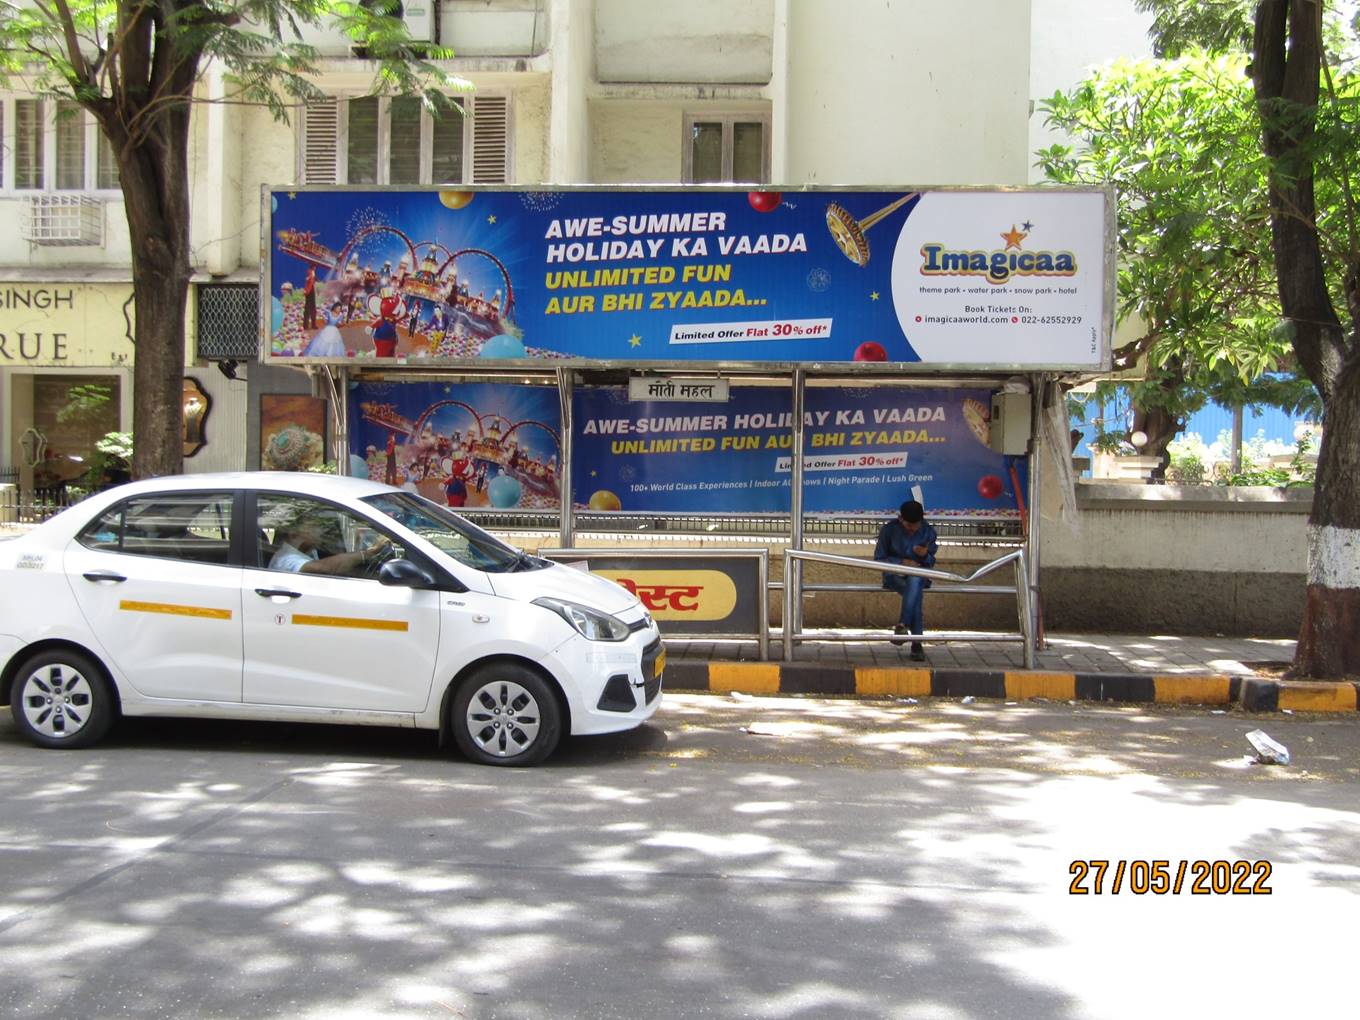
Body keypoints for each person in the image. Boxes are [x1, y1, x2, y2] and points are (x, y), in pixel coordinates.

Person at [874, 499, 938, 660]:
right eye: (908, 526)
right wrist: (901, 563)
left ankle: (903, 626)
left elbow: (930, 561)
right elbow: (879, 559)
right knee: (915, 594)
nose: (912, 530)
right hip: (894, 576)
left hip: (919, 575)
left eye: (915, 526)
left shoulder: (928, 532)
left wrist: (925, 555)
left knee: (915, 580)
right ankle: (916, 644)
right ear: (900, 519)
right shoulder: (889, 530)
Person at [269, 513, 391, 576]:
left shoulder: (308, 551)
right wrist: (368, 553)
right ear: (293, 533)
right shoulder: (285, 559)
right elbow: (324, 567)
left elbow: (339, 561)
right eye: (313, 526)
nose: (320, 530)